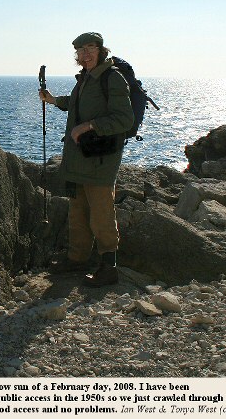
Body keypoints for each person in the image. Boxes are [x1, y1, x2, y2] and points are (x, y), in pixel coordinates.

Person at [39, 32, 134, 286]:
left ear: (101, 50)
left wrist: (88, 126)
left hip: (101, 159)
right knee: (78, 209)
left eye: (90, 48)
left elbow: (125, 119)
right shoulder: (86, 79)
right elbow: (77, 104)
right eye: (81, 51)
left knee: (101, 212)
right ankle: (77, 258)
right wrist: (53, 100)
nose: (86, 54)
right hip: (80, 157)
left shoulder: (112, 79)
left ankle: (108, 267)